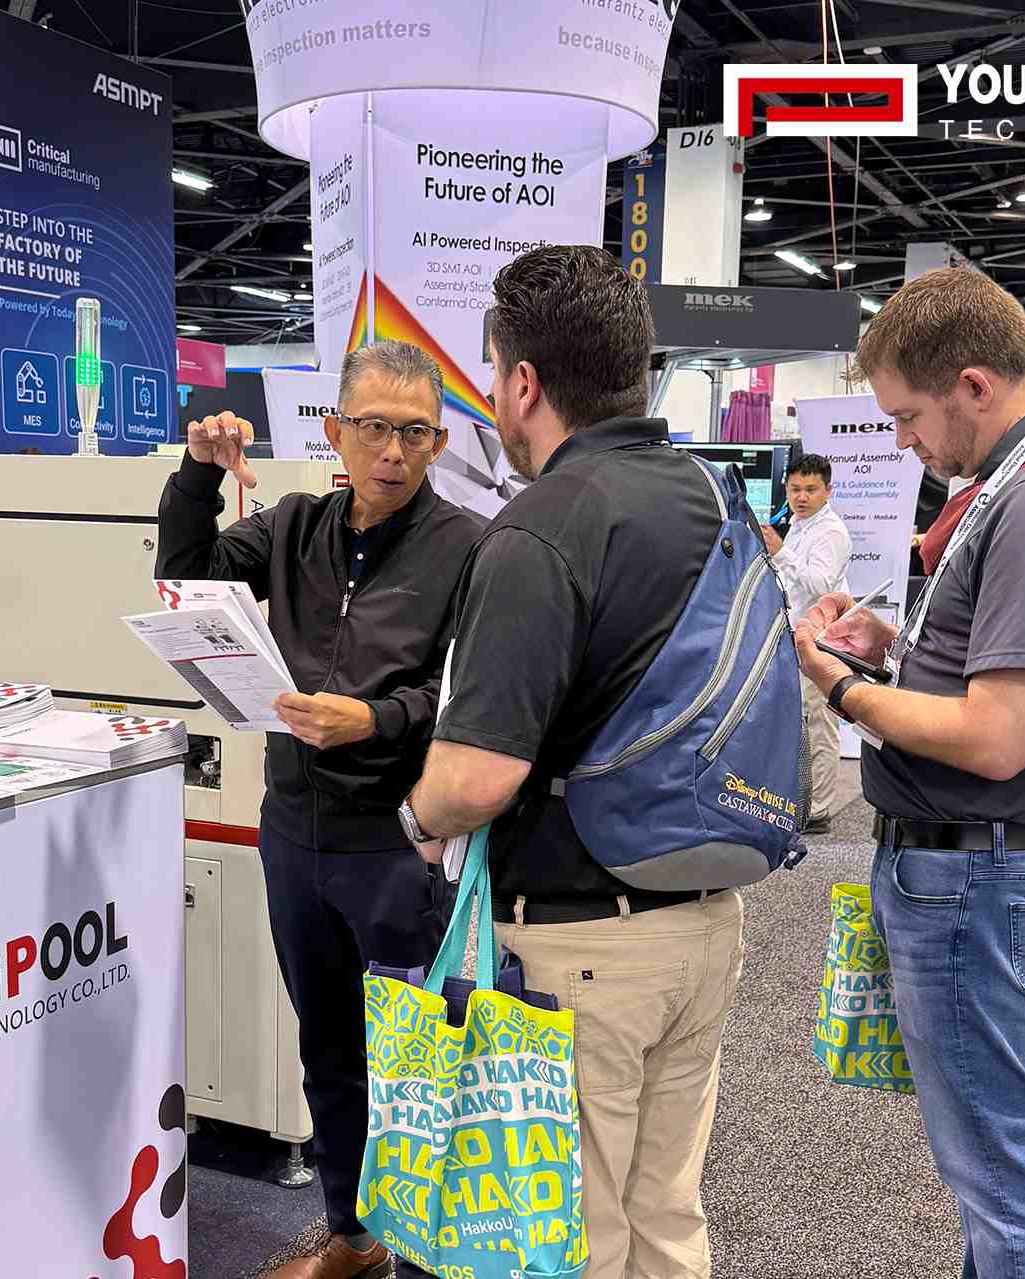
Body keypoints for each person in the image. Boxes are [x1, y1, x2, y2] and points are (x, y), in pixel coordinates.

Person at [793, 267, 1025, 1279]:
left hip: (973, 873)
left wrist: (840, 686)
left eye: (909, 416)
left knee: (1001, 1174)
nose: (904, 441)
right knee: (992, 1165)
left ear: (974, 386)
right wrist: (893, 646)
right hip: (980, 866)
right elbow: (1005, 675)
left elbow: (996, 736)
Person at [399, 245, 745, 1279]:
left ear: (521, 382)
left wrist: (415, 819)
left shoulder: (541, 526)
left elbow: (476, 777)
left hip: (581, 946)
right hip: (704, 920)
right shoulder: (710, 496)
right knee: (664, 1218)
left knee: (567, 1243)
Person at [155, 340, 483, 1279]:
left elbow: (469, 694)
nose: (393, 451)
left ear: (439, 442)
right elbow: (188, 582)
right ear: (335, 431)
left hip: (399, 842)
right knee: (327, 1048)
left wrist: (374, 718)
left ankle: (427, 1252)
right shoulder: (294, 525)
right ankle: (354, 1232)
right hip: (294, 835)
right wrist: (197, 474)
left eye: (415, 432)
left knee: (416, 1059)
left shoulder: (469, 547)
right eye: (374, 427)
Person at [761, 453, 851, 831]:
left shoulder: (830, 532)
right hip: (798, 636)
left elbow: (820, 584)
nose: (801, 496)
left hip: (821, 640)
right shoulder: (798, 525)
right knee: (799, 723)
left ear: (828, 491)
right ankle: (802, 801)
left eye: (811, 489)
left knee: (819, 724)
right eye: (795, 488)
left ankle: (819, 810)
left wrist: (781, 553)